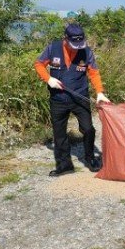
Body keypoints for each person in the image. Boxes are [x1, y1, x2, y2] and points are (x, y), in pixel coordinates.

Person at [34, 23, 110, 177]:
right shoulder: (52, 48)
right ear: (65, 39)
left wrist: (100, 92)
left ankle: (90, 158)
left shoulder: (86, 52)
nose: (76, 48)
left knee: (88, 129)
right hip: (58, 99)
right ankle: (64, 165)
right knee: (59, 133)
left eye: (79, 44)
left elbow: (94, 73)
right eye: (73, 44)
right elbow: (39, 64)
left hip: (79, 97)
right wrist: (48, 79)